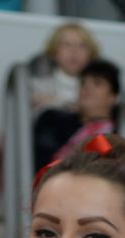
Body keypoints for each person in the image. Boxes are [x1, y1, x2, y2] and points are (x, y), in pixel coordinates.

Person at [28, 21, 98, 173]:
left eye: (82, 46)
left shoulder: (99, 88)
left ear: (91, 54)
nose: (74, 51)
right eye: (66, 45)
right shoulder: (35, 85)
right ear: (54, 51)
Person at [47, 59, 118, 167]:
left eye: (97, 83)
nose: (87, 88)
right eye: (83, 83)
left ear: (113, 97)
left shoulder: (123, 133)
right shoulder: (55, 126)